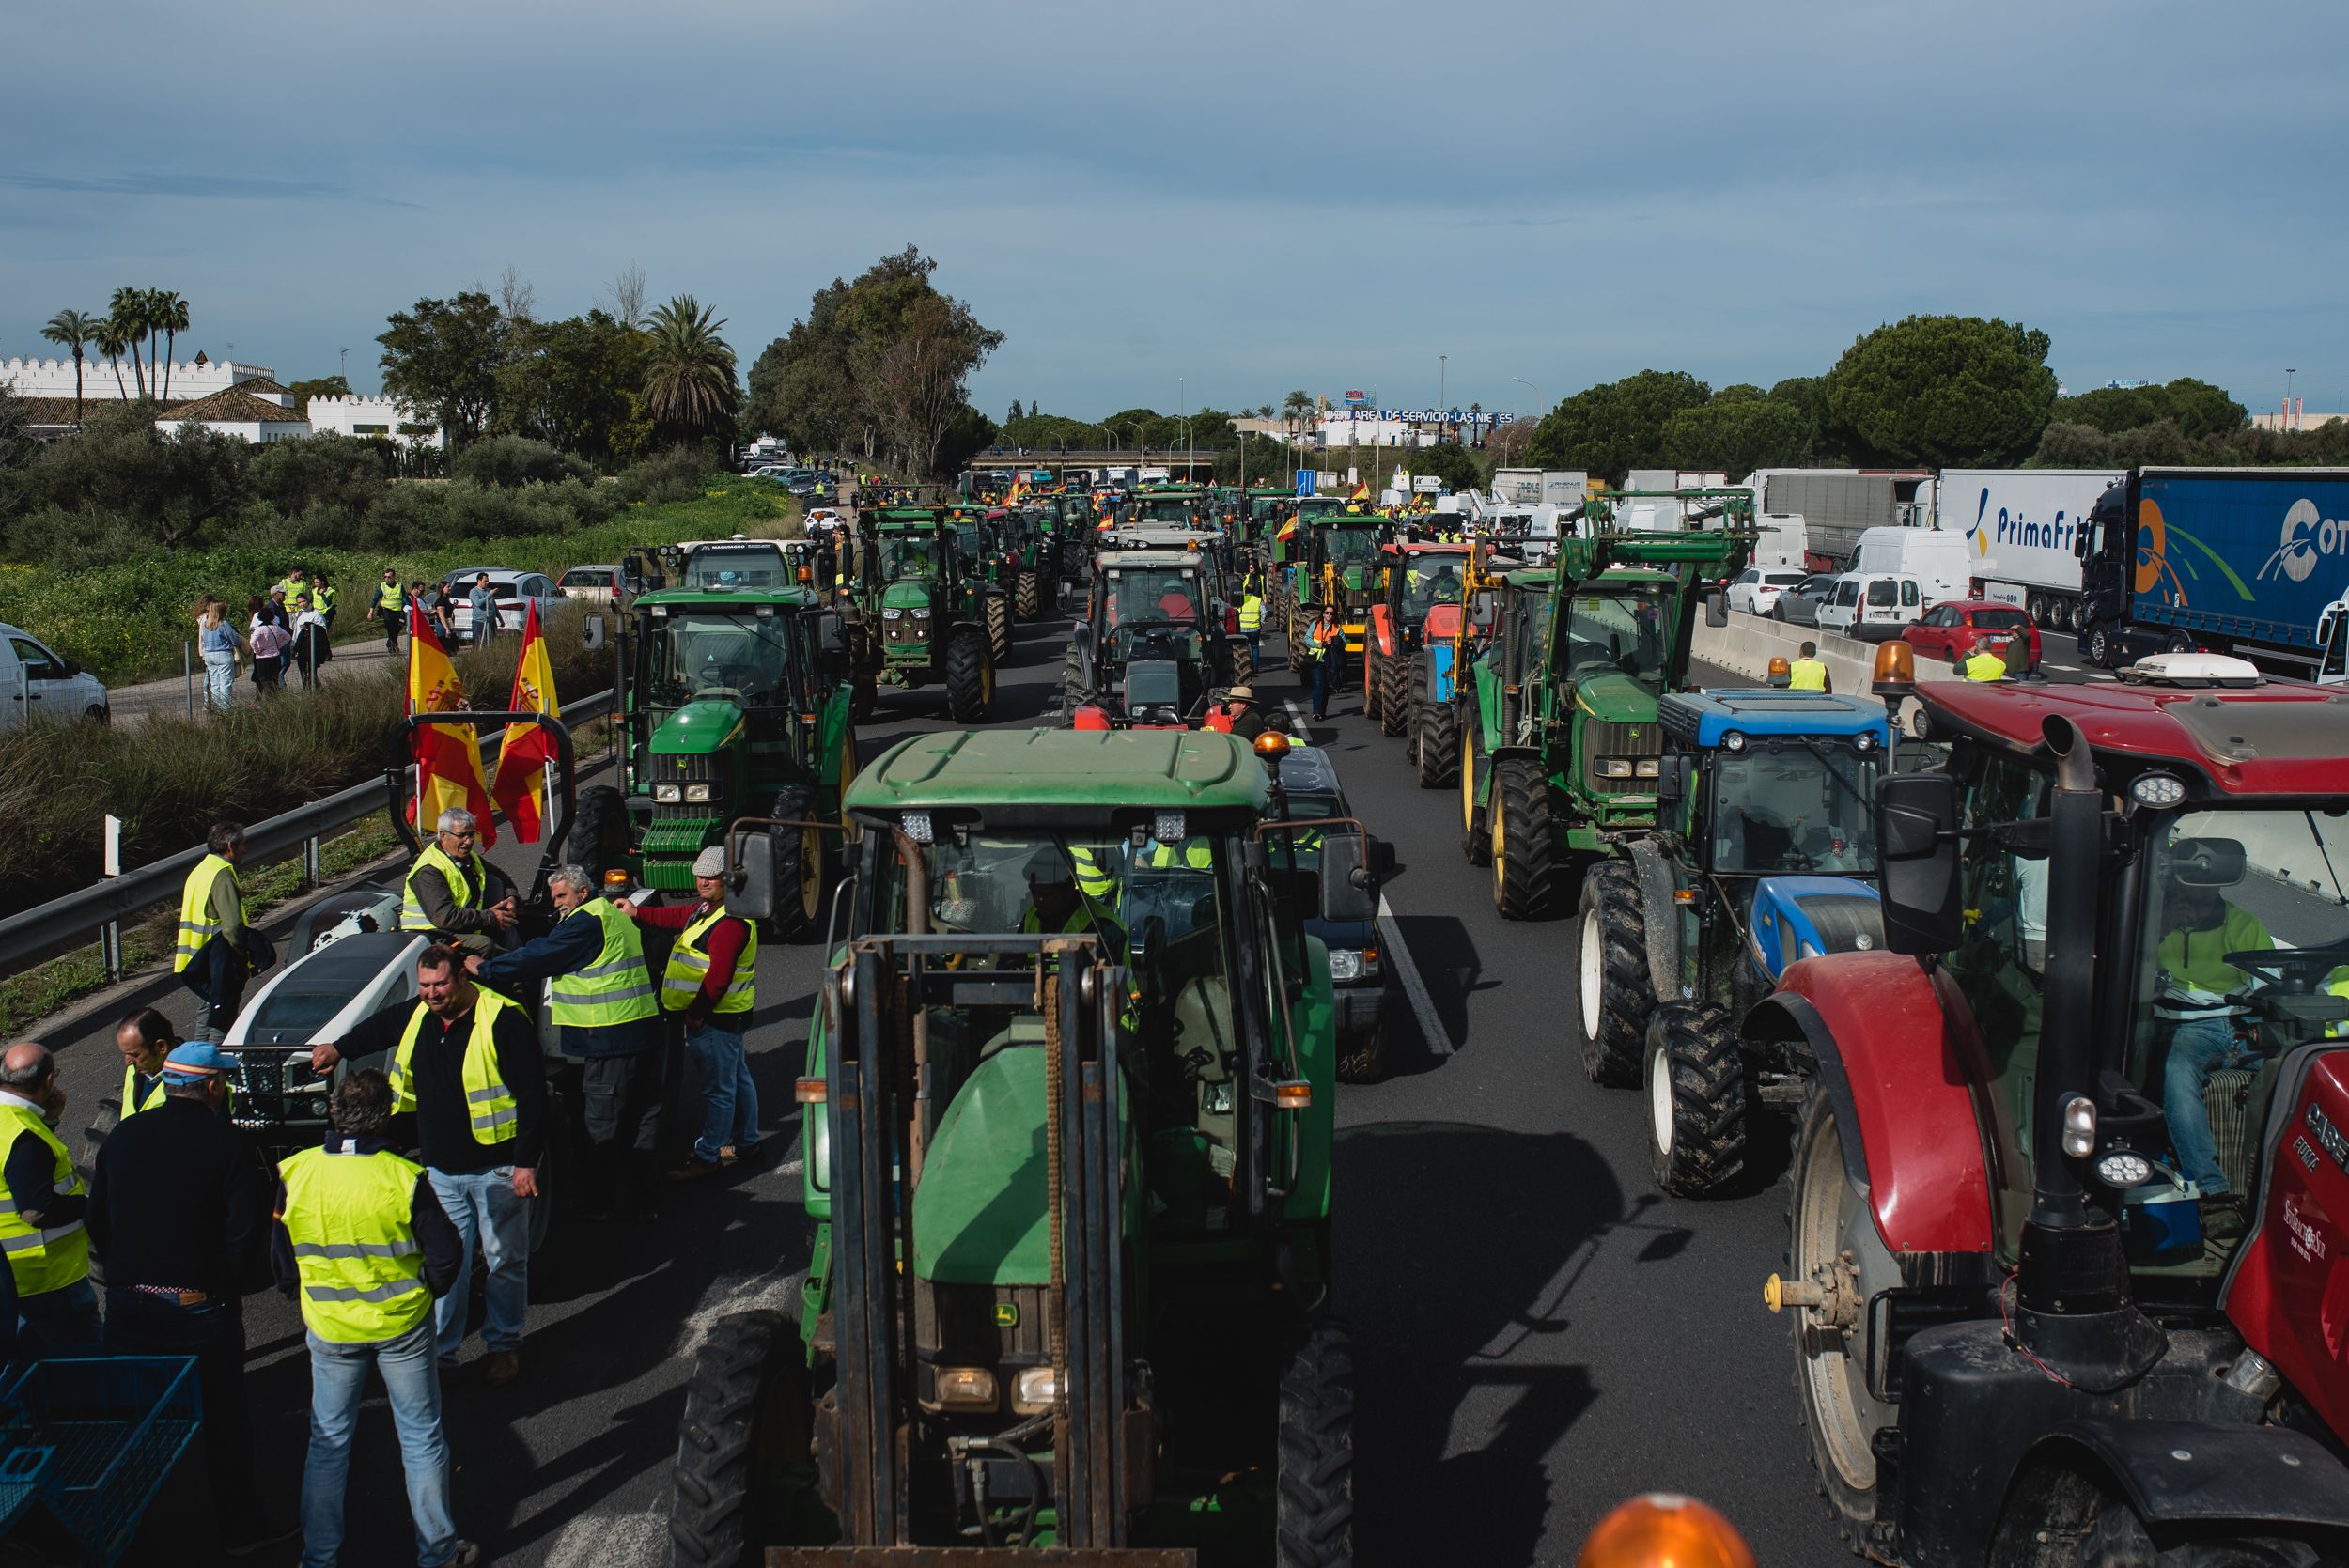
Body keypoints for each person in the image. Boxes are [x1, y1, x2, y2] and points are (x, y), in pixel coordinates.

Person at [87, 1041, 289, 1556]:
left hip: (130, 1304)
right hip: (198, 1306)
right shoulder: (228, 1143)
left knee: (138, 1421)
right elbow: (245, 1236)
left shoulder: (124, 1136)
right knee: (223, 1420)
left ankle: (135, 1533)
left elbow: (97, 1221)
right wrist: (227, 1286)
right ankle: (242, 1530)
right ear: (214, 1086)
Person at [309, 947, 542, 1386]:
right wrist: (338, 1048)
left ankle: (504, 1345)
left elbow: (533, 1097)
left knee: (504, 1261)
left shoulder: (503, 1019)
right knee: (445, 1264)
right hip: (439, 1168)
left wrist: (525, 1163)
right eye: (426, 985)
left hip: (496, 1168)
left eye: (440, 984)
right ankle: (440, 1355)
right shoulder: (419, 1012)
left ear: (463, 979)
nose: (431, 994)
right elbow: (377, 1029)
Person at [274, 1069, 475, 1568]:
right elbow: (447, 1255)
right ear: (385, 1117)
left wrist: (306, 1295)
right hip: (401, 1325)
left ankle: (318, 1559)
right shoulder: (403, 1177)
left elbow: (280, 1259)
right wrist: (427, 1291)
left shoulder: (294, 1171)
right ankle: (438, 1553)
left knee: (328, 1443)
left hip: (330, 1327)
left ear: (334, 1112)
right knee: (421, 1436)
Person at [472, 867, 661, 1222]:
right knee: (641, 1118)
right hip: (641, 1030)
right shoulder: (612, 916)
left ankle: (604, 1208)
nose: (556, 904)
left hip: (608, 1038)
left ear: (583, 893)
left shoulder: (584, 922)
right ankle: (644, 1197)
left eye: (561, 897)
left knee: (602, 1127)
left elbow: (540, 955)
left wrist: (485, 969)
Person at [2155, 839, 2272, 1243]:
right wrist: (2164, 926)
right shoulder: (2153, 920)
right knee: (2177, 1070)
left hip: (2240, 1021)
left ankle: (2274, 1185)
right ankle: (2214, 1193)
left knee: (2291, 1072)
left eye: (2210, 891)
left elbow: (2265, 985)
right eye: (2192, 888)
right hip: (2188, 1027)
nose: (2201, 899)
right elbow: (2128, 965)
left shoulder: (2243, 924)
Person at [623, 846, 761, 1182]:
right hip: (730, 1017)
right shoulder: (711, 909)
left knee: (719, 1090)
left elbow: (717, 978)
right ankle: (747, 1140)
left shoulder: (728, 923)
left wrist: (696, 1014)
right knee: (737, 1080)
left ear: (728, 879)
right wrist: (636, 912)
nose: (702, 881)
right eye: (699, 875)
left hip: (715, 1020)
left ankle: (708, 1154)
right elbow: (678, 916)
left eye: (711, 877)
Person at [0, 1042, 100, 1352]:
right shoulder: (25, 1136)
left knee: (30, 1371)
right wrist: (92, 1204)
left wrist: (51, 1122)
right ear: (48, 1080)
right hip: (47, 1279)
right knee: (91, 1366)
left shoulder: (13, 1125)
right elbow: (36, 1210)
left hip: (11, 1278)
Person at [177, 822, 260, 1043]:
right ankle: (214, 1067)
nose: (245, 849)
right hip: (219, 961)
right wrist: (241, 959)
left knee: (207, 1016)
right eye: (243, 845)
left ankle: (198, 1065)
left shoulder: (201, 869)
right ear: (230, 846)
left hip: (198, 959)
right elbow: (232, 925)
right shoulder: (222, 875)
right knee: (221, 1022)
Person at [400, 808, 520, 959]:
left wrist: (511, 897)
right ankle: (513, 972)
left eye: (471, 834)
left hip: (457, 926)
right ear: (443, 835)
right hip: (431, 935)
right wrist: (489, 917)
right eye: (461, 835)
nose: (469, 841)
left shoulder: (468, 857)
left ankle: (518, 960)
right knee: (484, 944)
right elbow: (444, 917)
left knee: (495, 884)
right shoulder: (429, 870)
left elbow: (500, 876)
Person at [115, 1007, 178, 1119]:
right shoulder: (135, 1067)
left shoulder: (188, 1085)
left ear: (161, 1047)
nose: (128, 1062)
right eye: (126, 1054)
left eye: (134, 1055)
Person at [198, 598, 242, 714]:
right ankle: (226, 708)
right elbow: (235, 639)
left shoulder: (206, 624)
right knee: (225, 682)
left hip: (209, 655)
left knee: (215, 683)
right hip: (223, 654)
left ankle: (217, 707)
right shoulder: (223, 624)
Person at [288, 594, 330, 691]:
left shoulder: (316, 613)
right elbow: (293, 628)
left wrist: (310, 627)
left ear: (308, 600)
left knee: (310, 671)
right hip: (300, 646)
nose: (302, 604)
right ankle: (309, 691)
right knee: (303, 672)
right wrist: (293, 615)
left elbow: (323, 629)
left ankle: (315, 691)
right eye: (299, 602)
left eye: (303, 601)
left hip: (311, 646)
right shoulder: (299, 613)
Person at [1308, 604, 1342, 722]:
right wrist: (1316, 644)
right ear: (1323, 614)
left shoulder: (1337, 628)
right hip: (1317, 660)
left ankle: (1322, 711)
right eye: (1327, 613)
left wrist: (1334, 642)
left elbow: (1344, 643)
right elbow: (1306, 638)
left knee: (1326, 688)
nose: (1329, 615)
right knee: (1318, 685)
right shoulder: (1316, 624)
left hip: (1330, 662)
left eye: (1331, 613)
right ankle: (1316, 712)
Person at [248, 613, 290, 698]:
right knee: (274, 679)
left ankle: (268, 699)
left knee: (265, 680)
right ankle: (275, 699)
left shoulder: (259, 629)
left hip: (262, 658)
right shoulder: (277, 628)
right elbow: (288, 637)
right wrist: (278, 646)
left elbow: (252, 642)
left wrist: (257, 650)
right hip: (275, 656)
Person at [375, 570, 408, 652]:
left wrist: (410, 606)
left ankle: (390, 642)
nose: (387, 578)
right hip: (387, 611)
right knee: (390, 629)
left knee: (398, 627)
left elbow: (405, 597)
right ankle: (392, 646)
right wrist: (371, 611)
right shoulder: (382, 586)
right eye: (385, 577)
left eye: (389, 577)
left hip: (398, 611)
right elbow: (375, 599)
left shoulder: (399, 586)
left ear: (393, 577)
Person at [467, 573, 499, 648]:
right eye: (485, 581)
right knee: (479, 643)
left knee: (491, 643)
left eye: (487, 581)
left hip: (491, 621)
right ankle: (477, 658)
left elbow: (494, 605)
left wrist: (500, 618)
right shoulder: (474, 591)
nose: (487, 583)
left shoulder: (488, 590)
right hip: (480, 621)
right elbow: (478, 603)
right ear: (479, 580)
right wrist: (489, 595)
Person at [1237, 584, 1264, 667]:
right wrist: (1261, 622)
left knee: (1244, 648)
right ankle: (1255, 667)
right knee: (1255, 647)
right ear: (1253, 591)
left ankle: (1246, 667)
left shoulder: (1241, 600)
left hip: (1243, 628)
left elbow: (1235, 610)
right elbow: (1264, 612)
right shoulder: (1258, 600)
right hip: (1255, 628)